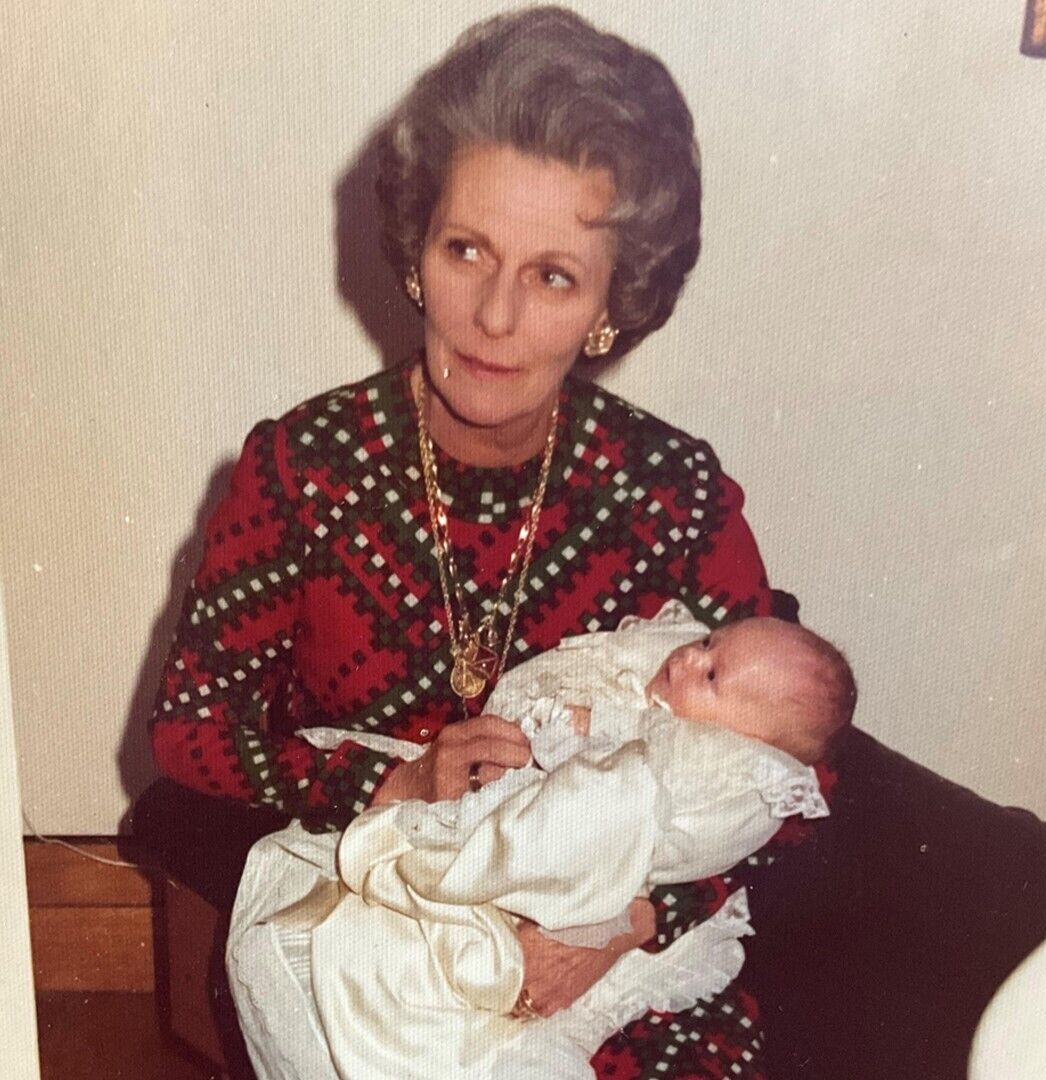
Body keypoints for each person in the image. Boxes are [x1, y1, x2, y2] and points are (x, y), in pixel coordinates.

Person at [150, 8, 814, 1077]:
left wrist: (631, 926)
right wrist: (383, 788)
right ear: (418, 253)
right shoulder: (305, 470)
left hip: (608, 951)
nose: (494, 317)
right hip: (379, 933)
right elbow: (190, 729)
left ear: (612, 305)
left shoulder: (672, 492)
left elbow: (791, 782)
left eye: (554, 276)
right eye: (468, 251)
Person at [234, 601, 850, 1080]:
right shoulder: (670, 666)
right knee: (357, 970)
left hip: (601, 910)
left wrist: (635, 922)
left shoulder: (725, 775)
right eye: (708, 642)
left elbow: (748, 825)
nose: (688, 657)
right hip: (461, 831)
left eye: (711, 673)